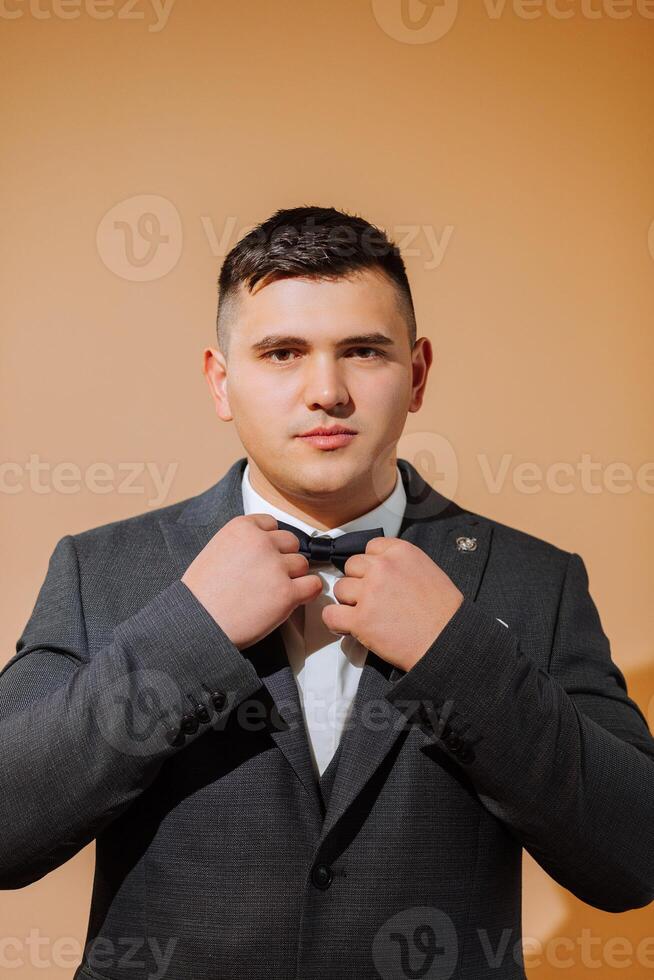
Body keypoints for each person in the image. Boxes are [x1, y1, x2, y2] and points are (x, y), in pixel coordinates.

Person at [1, 205, 653, 980]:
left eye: (364, 351)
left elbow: (633, 859)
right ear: (221, 381)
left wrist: (459, 654)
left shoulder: (537, 580)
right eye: (281, 352)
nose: (326, 391)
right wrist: (188, 634)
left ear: (415, 376)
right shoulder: (99, 568)